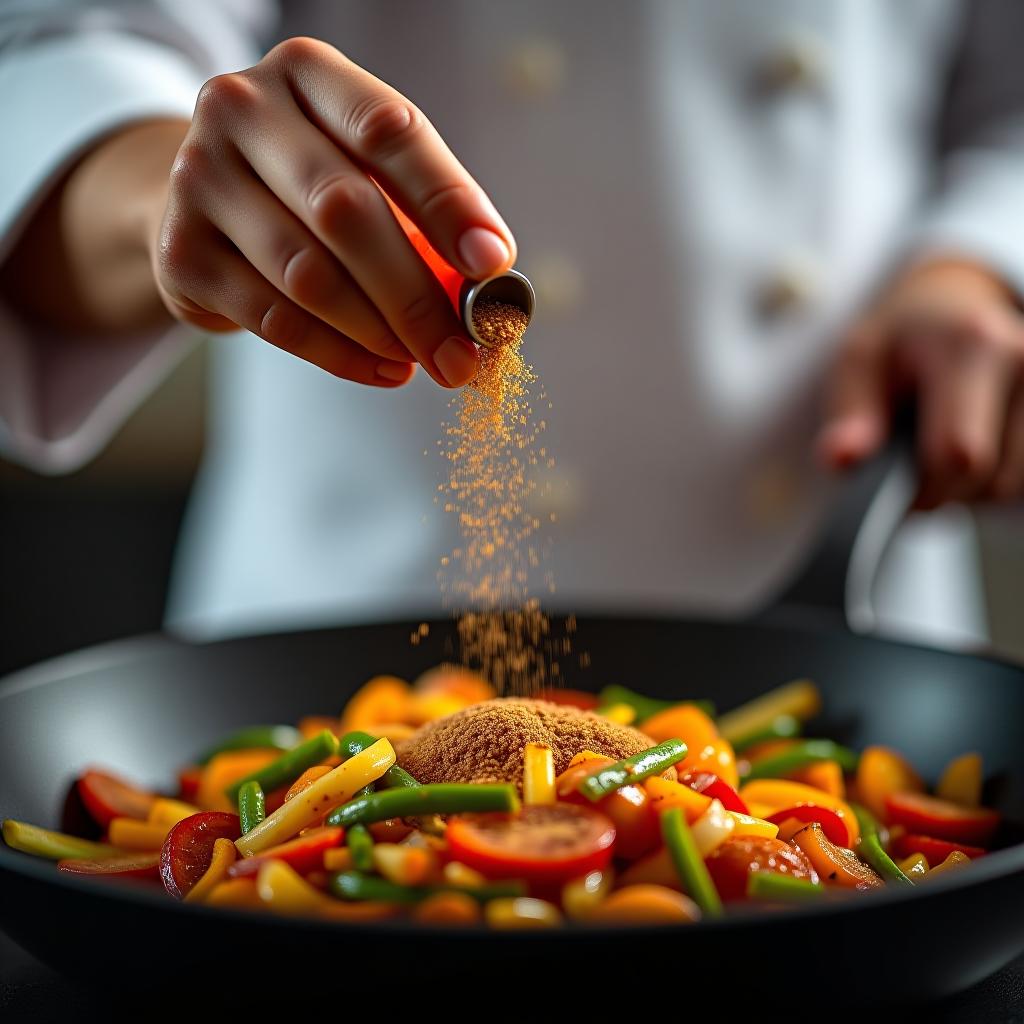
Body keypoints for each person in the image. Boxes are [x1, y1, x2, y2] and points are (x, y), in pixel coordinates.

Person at [2, 1, 1023, 649]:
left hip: (858, 614)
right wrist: (168, 194)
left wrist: (978, 265)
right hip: (339, 632)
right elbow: (63, 57)